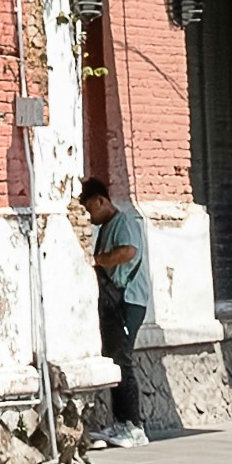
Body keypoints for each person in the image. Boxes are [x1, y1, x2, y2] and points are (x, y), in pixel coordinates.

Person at [79, 175, 152, 446]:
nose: (89, 217)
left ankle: (134, 426)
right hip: (115, 301)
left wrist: (98, 260)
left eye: (90, 209)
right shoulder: (107, 227)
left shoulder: (125, 222)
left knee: (123, 359)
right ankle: (121, 423)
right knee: (114, 358)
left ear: (101, 201)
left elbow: (128, 252)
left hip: (129, 300)